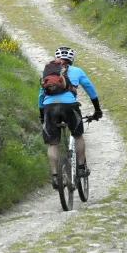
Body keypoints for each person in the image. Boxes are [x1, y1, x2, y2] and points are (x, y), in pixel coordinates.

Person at [39, 46, 102, 190]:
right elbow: (90, 90)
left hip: (49, 107)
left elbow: (40, 95)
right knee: (78, 135)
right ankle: (80, 167)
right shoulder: (77, 71)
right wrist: (97, 109)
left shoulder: (47, 72)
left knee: (53, 143)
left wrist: (42, 115)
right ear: (71, 59)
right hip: (70, 106)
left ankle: (55, 176)